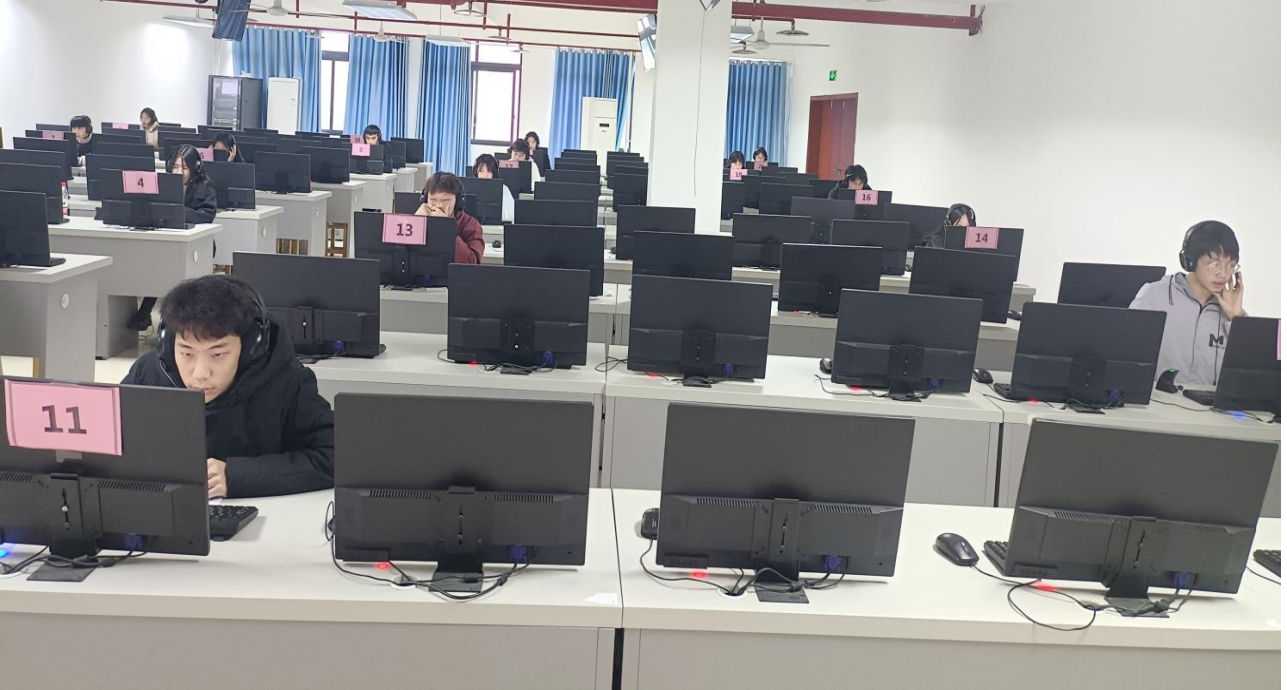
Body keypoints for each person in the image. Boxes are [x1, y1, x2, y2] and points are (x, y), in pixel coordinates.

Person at [121, 275, 336, 499]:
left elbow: (334, 457)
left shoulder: (288, 382)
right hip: (166, 510)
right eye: (186, 353)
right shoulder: (150, 372)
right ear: (167, 344)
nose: (200, 373)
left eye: (217, 354)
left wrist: (236, 476)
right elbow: (109, 447)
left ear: (251, 348)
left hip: (265, 515)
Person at [1130, 221, 1246, 387]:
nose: (1224, 274)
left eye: (1231, 266)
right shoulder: (1154, 296)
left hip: (1210, 404)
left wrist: (1236, 319)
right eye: (1215, 264)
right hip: (1158, 401)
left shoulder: (1232, 311)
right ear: (1190, 260)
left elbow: (1248, 375)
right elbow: (1127, 356)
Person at [128, 145, 219, 332]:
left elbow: (207, 215)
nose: (179, 172)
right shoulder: (164, 185)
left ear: (195, 167)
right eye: (176, 167)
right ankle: (147, 312)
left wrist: (178, 212)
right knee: (157, 265)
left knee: (167, 265)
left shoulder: (206, 187)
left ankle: (155, 313)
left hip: (198, 242)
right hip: (168, 238)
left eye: (184, 168)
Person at [415, 172, 485, 264]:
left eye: (445, 200)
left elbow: (471, 263)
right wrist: (416, 223)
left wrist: (446, 227)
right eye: (433, 200)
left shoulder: (471, 225)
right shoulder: (419, 218)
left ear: (458, 201)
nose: (439, 205)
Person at [474, 153, 515, 223]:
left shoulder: (503, 189)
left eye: (489, 171)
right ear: (476, 172)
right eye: (481, 171)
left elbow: (511, 215)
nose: (485, 175)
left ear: (494, 173)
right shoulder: (469, 188)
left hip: (496, 227)